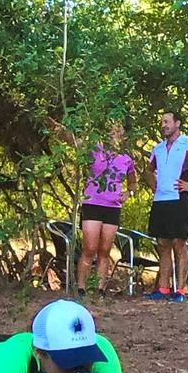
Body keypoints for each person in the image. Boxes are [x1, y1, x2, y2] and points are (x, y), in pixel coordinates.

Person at [143, 111, 188, 303]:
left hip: (179, 199)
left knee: (179, 244)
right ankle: (163, 288)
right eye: (161, 122)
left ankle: (181, 290)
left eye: (167, 122)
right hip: (161, 201)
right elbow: (148, 171)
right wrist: (155, 187)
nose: (163, 125)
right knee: (163, 244)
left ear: (177, 123)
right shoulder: (157, 149)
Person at [77, 121, 137, 296]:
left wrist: (129, 193)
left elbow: (133, 183)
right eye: (111, 130)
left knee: (105, 249)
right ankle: (81, 287)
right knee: (89, 247)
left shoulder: (126, 158)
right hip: (92, 203)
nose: (114, 133)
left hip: (113, 207)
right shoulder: (94, 149)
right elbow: (74, 142)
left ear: (123, 136)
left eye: (118, 131)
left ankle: (100, 289)